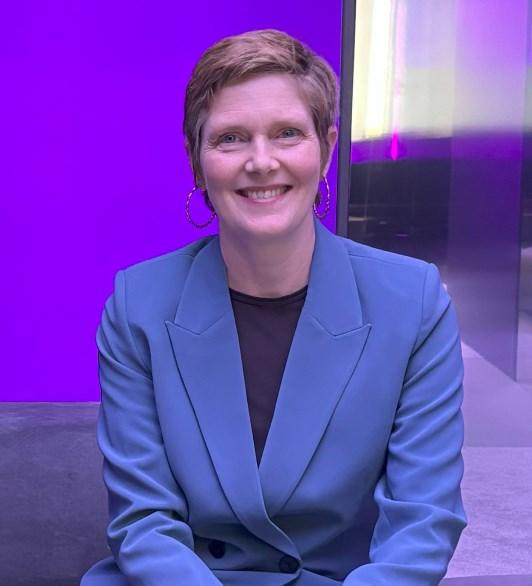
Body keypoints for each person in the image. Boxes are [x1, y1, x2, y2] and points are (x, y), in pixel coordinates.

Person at [81, 28, 467, 586]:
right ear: (196, 161)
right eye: (230, 138)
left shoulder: (415, 303)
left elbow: (422, 523)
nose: (261, 162)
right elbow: (143, 524)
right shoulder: (136, 305)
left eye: (287, 133)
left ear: (326, 148)